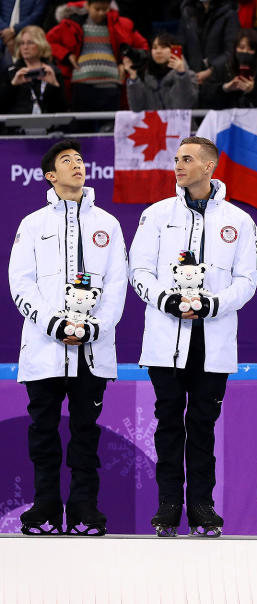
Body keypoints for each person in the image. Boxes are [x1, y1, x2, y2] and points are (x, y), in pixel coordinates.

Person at [128, 136, 257, 538]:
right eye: (177, 159)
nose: (179, 165)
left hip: (212, 339)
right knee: (169, 423)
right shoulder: (156, 215)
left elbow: (247, 281)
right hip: (166, 339)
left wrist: (211, 305)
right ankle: (168, 505)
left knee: (202, 425)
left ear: (209, 167)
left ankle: (202, 505)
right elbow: (139, 272)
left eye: (187, 159)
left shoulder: (238, 221)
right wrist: (167, 299)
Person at [9, 139, 127, 536]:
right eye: (67, 161)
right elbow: (19, 283)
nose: (77, 165)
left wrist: (95, 327)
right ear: (50, 175)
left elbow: (117, 286)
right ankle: (43, 509)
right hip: (44, 349)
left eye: (80, 159)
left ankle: (84, 512)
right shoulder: (33, 223)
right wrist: (53, 324)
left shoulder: (107, 224)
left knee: (85, 434)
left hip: (91, 351)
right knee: (43, 434)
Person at [45, 0, 147, 111]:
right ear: (87, 6)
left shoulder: (121, 24)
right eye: (97, 9)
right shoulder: (70, 24)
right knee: (81, 126)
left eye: (105, 9)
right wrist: (67, 55)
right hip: (81, 85)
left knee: (110, 126)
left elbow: (142, 47)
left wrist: (125, 62)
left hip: (112, 84)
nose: (101, 13)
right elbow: (48, 41)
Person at [199, 28, 257, 109]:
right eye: (241, 48)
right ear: (235, 48)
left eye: (250, 49)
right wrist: (225, 88)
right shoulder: (223, 67)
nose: (245, 52)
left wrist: (254, 90)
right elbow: (205, 96)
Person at [1, 25, 67, 115]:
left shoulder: (53, 71)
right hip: (17, 125)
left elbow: (62, 109)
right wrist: (13, 85)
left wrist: (54, 86)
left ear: (40, 44)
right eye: (22, 43)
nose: (25, 47)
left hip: (47, 125)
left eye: (30, 43)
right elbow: (2, 106)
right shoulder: (10, 71)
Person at [124, 32, 199, 111]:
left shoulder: (189, 76)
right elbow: (136, 108)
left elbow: (184, 105)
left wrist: (181, 75)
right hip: (153, 123)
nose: (158, 51)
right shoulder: (144, 77)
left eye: (163, 47)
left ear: (175, 50)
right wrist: (133, 77)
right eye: (155, 48)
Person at [179, 0, 239, 85]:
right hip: (191, 79)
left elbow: (231, 50)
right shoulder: (187, 12)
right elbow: (181, 45)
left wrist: (211, 71)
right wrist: (186, 72)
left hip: (220, 80)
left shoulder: (229, 14)